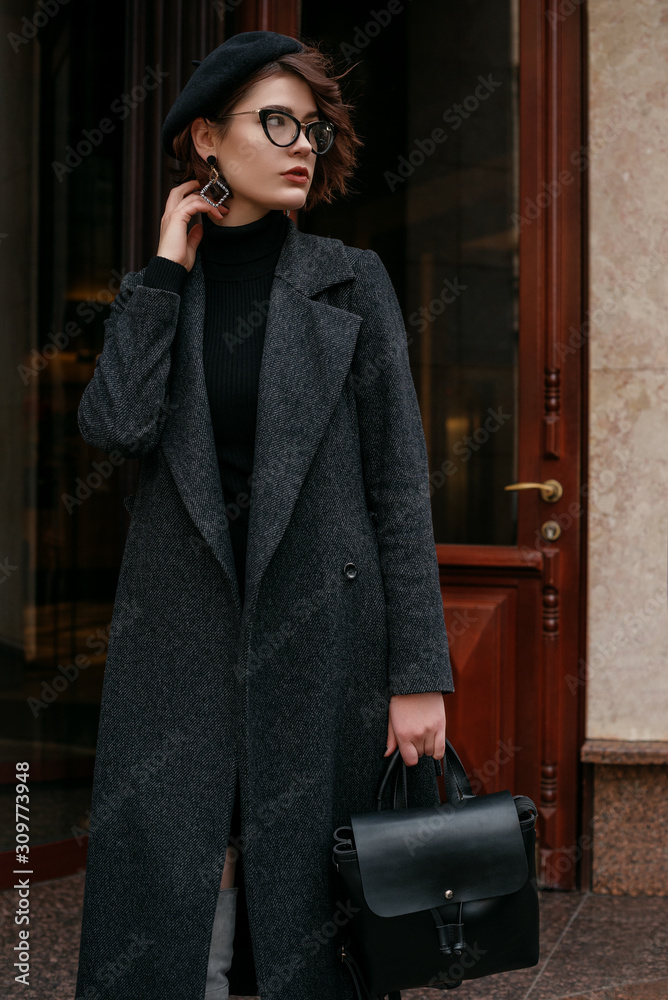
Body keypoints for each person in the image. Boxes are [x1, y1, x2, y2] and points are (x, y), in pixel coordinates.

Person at [74, 29, 453, 1000]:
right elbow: (113, 426)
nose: (300, 145)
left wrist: (418, 675)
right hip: (181, 643)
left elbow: (396, 489)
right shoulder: (166, 292)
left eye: (313, 129)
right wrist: (163, 267)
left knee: (307, 908)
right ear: (205, 140)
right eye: (274, 121)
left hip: (322, 640)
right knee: (168, 891)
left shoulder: (348, 280)